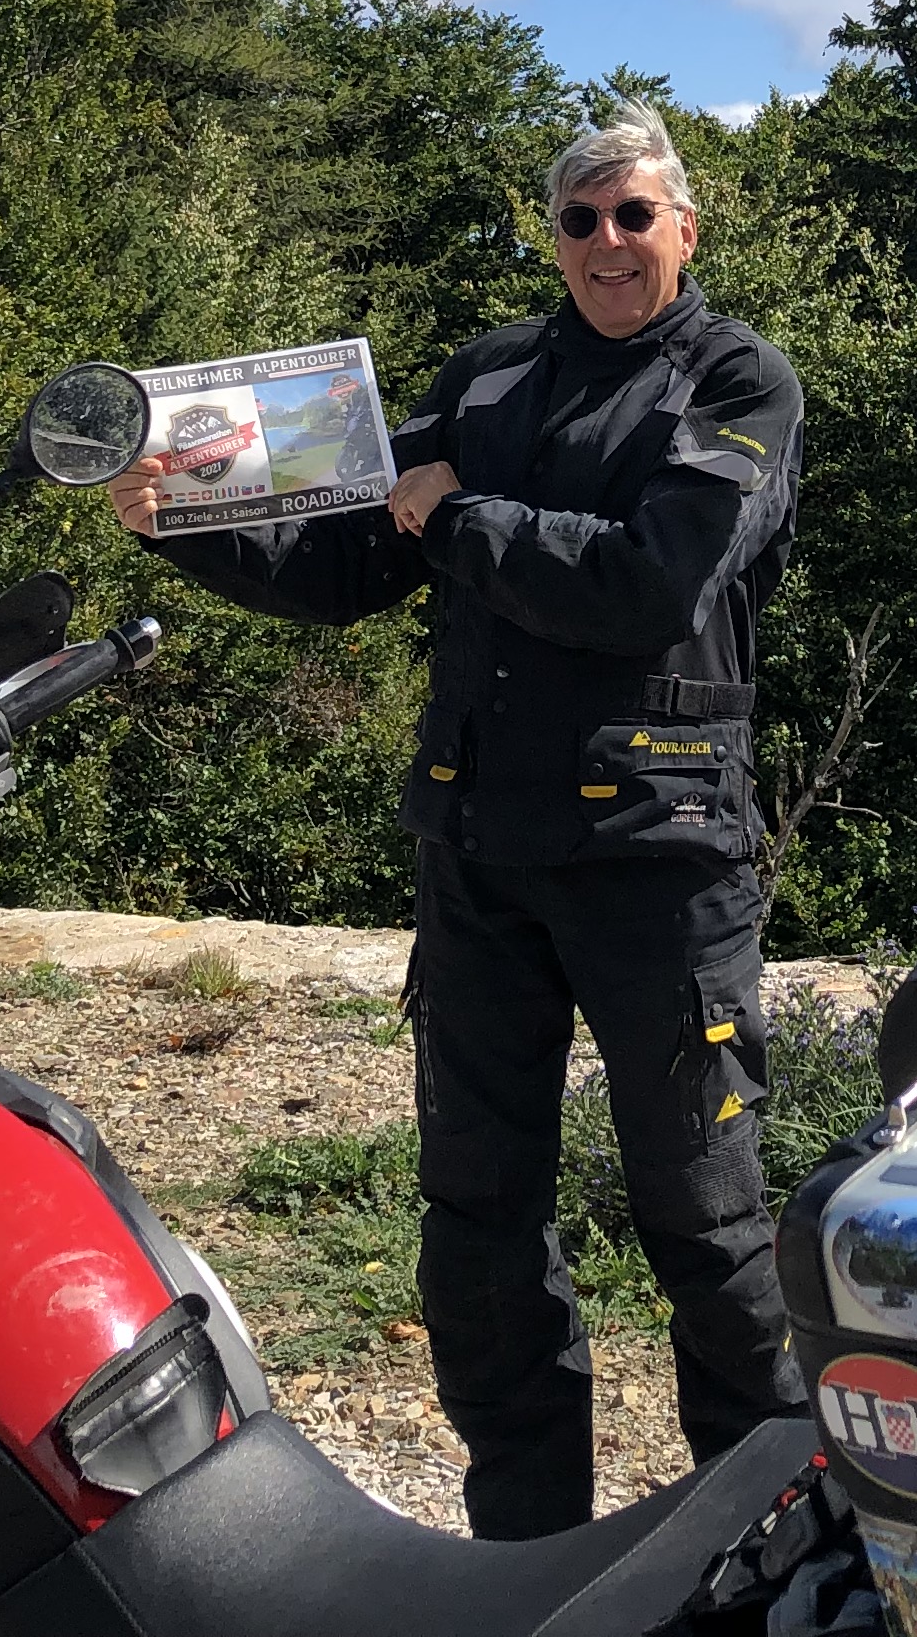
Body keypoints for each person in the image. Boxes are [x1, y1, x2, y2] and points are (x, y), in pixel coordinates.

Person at [117, 101, 808, 1537]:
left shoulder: (739, 382)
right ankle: (527, 1541)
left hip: (660, 865)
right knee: (478, 1220)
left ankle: (759, 1539)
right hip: (480, 856)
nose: (608, 240)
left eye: (635, 214)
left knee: (707, 1219)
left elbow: (650, 585)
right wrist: (186, 516)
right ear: (552, 238)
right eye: (581, 218)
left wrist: (461, 518)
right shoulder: (487, 378)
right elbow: (342, 563)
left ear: (685, 229)